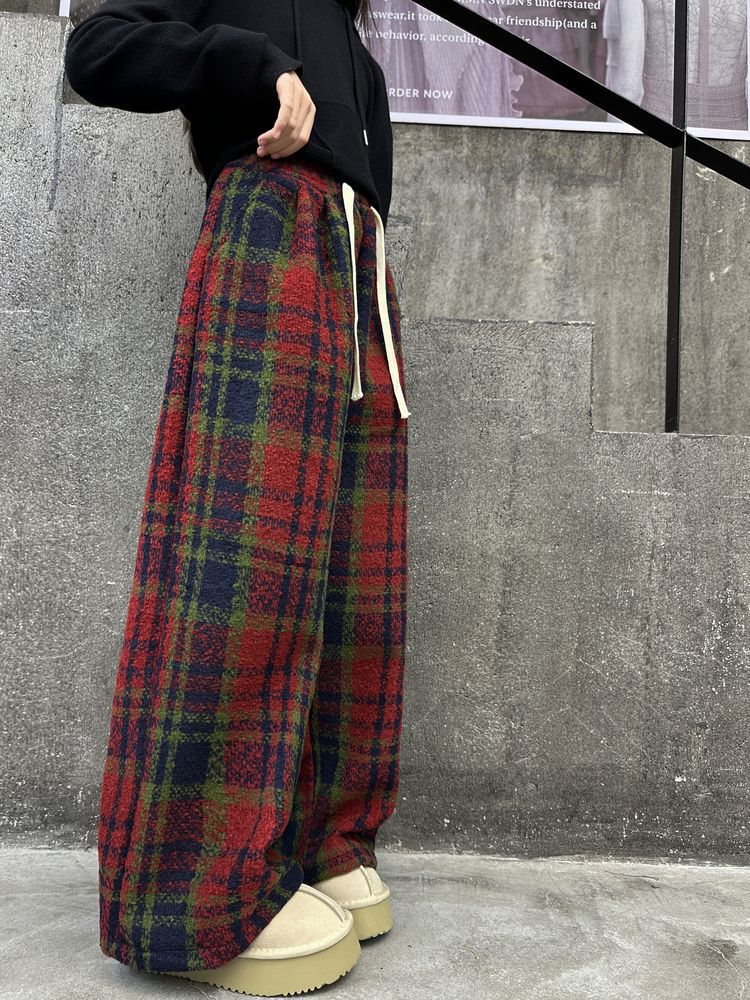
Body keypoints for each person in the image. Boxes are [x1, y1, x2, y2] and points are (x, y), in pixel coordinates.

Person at [63, 0, 411, 994]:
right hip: (268, 228)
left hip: (357, 257)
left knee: (358, 584)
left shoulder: (353, 40)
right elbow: (97, 49)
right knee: (241, 568)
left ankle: (322, 835)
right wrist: (246, 62)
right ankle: (190, 888)